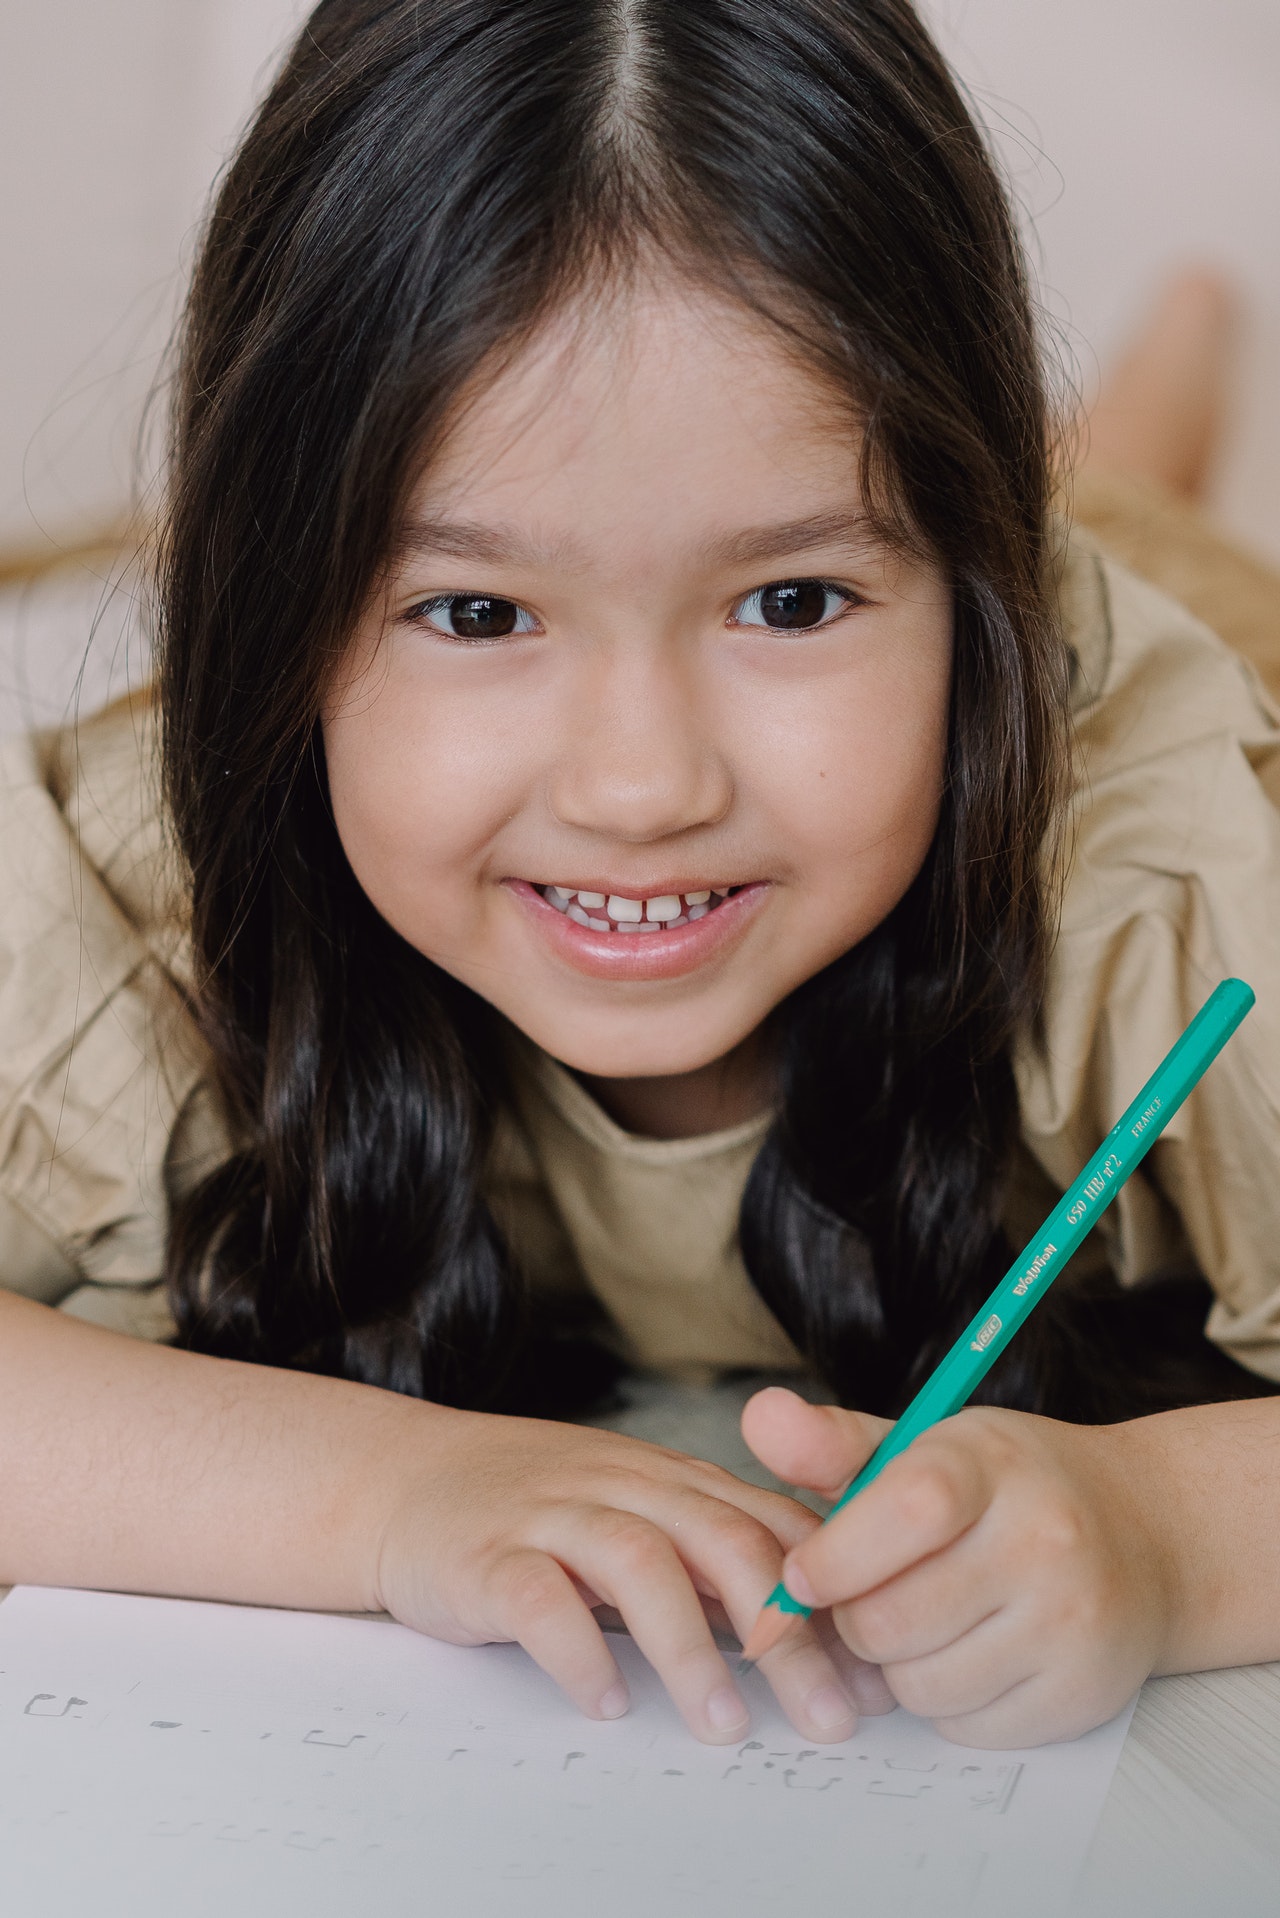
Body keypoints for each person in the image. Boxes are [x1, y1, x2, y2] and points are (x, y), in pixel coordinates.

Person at [3, 0, 1280, 1755]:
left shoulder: (1176, 870)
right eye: (477, 610)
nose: (641, 787)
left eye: (794, 599)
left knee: (1131, 499)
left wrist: (1168, 1536)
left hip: (1142, 594)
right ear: (274, 604)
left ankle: (1174, 368)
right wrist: (398, 1497)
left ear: (975, 600)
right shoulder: (141, 875)